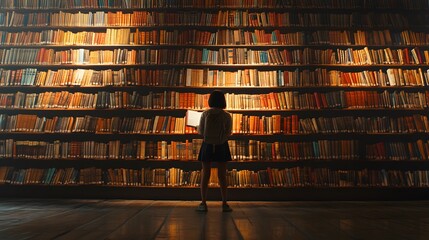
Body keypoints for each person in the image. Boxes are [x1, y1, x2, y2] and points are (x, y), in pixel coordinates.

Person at [196, 90, 233, 212]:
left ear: (210, 100)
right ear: (223, 101)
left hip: (207, 145)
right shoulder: (227, 115)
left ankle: (203, 203)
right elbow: (228, 132)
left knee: (205, 174)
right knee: (222, 175)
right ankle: (224, 203)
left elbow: (201, 131)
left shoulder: (205, 114)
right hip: (221, 145)